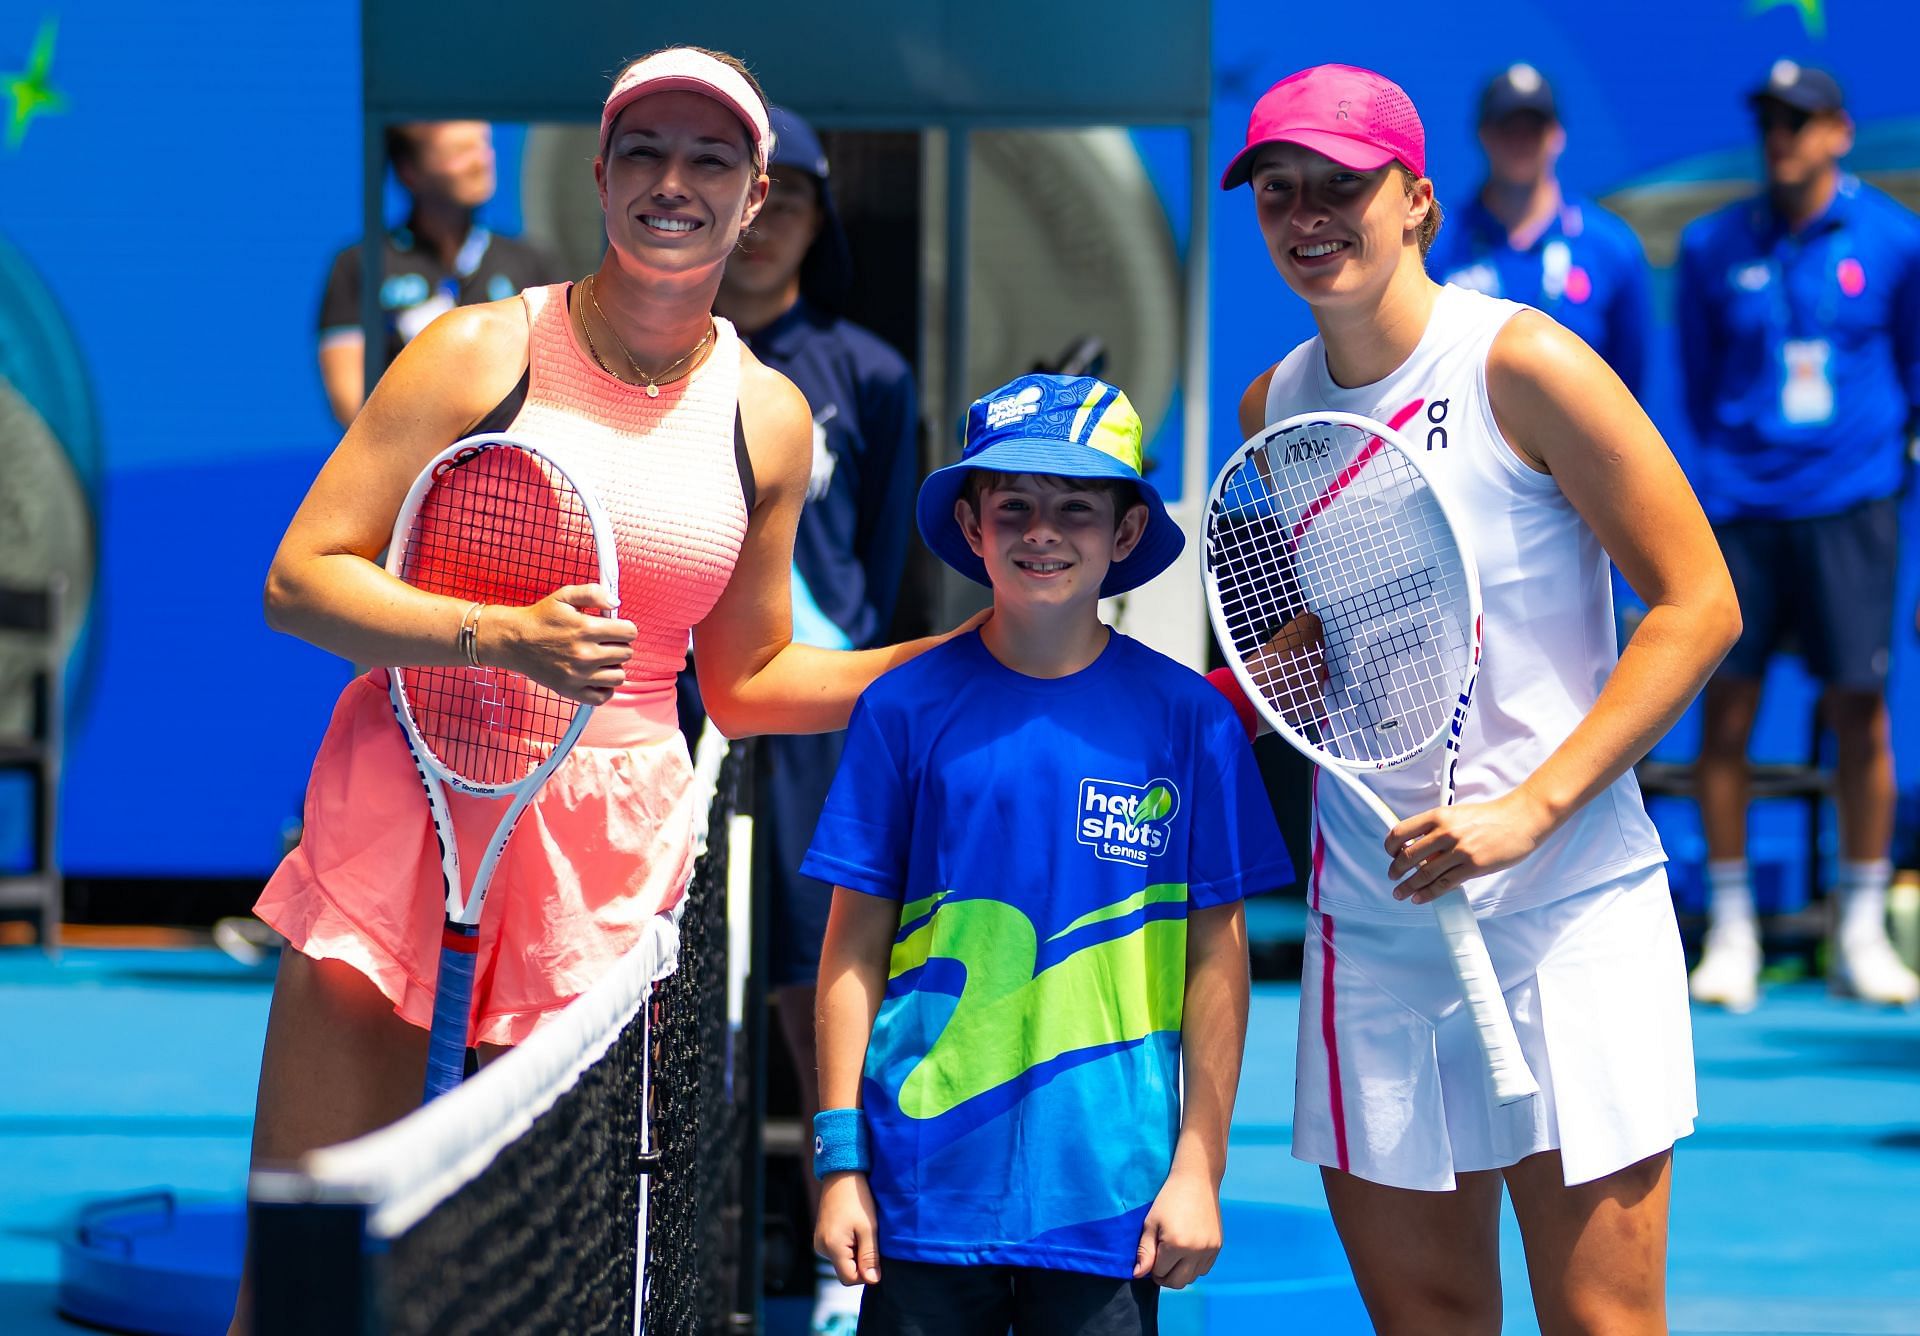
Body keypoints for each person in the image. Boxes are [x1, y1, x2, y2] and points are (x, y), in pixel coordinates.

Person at [234, 47, 977, 1332]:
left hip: (605, 860)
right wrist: (497, 637)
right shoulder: (476, 354)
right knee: (304, 1274)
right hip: (402, 811)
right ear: (600, 176)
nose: (673, 182)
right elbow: (301, 580)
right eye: (644, 151)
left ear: (755, 199)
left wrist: (929, 671)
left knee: (538, 1281)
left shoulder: (770, 417)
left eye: (710, 160)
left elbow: (740, 683)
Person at [1219, 64, 1739, 1333]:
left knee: (1601, 1322)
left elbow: (1699, 603)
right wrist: (1290, 653)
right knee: (1429, 1322)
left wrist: (1532, 810)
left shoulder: (1527, 364)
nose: (1307, 214)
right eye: (1279, 190)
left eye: (1342, 185)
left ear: (1419, 202)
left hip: (1566, 910)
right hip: (1371, 924)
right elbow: (1343, 626)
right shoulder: (1272, 403)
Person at [806, 374, 1293, 1335]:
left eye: (1076, 507)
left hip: (1112, 1199)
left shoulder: (1192, 723)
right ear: (971, 522)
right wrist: (838, 1162)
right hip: (919, 1199)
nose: (1042, 530)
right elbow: (851, 953)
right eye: (1015, 505)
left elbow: (1217, 961)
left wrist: (1200, 1162)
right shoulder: (900, 711)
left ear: (1122, 535)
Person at [711, 105, 920, 1334]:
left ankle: (849, 1276)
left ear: (815, 219)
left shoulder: (868, 373)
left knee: (819, 991)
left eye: (794, 197)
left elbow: (883, 556)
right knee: (674, 997)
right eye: (759, 190)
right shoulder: (661, 362)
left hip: (814, 732)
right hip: (679, 730)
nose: (770, 216)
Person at [1678, 60, 1920, 1010]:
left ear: (1839, 132)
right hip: (1742, 508)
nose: (1783, 135)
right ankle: (1731, 931)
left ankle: (1858, 928)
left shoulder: (1897, 239)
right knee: (1725, 711)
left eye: (1802, 119)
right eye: (1771, 119)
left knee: (1860, 710)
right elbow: (1697, 389)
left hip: (1854, 502)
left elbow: (1909, 371)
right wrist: (1738, 470)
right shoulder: (1710, 246)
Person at [1425, 63, 1652, 398]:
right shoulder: (1438, 241)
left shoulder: (1611, 247)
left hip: (1577, 447)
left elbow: (1628, 385)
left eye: (1534, 127)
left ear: (1557, 135)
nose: (1521, 141)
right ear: (1483, 135)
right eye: (1508, 127)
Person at [316, 120, 560, 427]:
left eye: (483, 145)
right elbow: (351, 404)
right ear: (410, 172)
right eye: (460, 152)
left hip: (508, 464)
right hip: (406, 466)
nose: (480, 162)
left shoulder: (531, 262)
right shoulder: (360, 266)